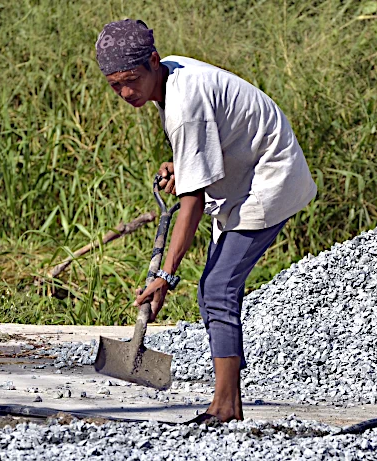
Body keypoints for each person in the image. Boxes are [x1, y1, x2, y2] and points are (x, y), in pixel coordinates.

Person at [94, 19, 316, 423]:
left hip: (269, 177)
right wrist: (183, 165)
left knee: (217, 287)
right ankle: (227, 401)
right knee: (213, 290)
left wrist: (165, 274)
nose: (126, 93)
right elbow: (208, 144)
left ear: (153, 62)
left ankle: (227, 407)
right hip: (243, 175)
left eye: (130, 81)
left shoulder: (185, 106)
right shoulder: (170, 77)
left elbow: (192, 201)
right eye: (115, 86)